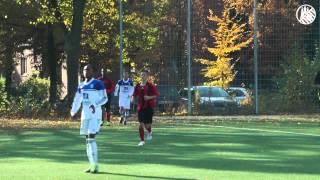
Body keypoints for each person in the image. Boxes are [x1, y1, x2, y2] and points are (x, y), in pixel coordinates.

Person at [70, 64, 108, 174]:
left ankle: (95, 166)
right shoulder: (81, 85)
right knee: (87, 140)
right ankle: (91, 165)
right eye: (84, 70)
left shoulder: (98, 84)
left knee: (91, 137)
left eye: (88, 70)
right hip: (85, 116)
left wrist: (95, 104)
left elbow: (105, 98)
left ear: (93, 71)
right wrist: (73, 111)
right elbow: (77, 100)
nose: (86, 71)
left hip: (95, 116)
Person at [132, 69, 159, 146]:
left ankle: (150, 131)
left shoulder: (150, 85)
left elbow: (156, 95)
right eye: (141, 74)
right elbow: (135, 94)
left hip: (149, 107)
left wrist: (148, 97)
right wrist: (133, 99)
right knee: (141, 124)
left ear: (147, 76)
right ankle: (142, 140)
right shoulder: (138, 85)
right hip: (140, 107)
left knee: (147, 125)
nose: (142, 76)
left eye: (144, 75)